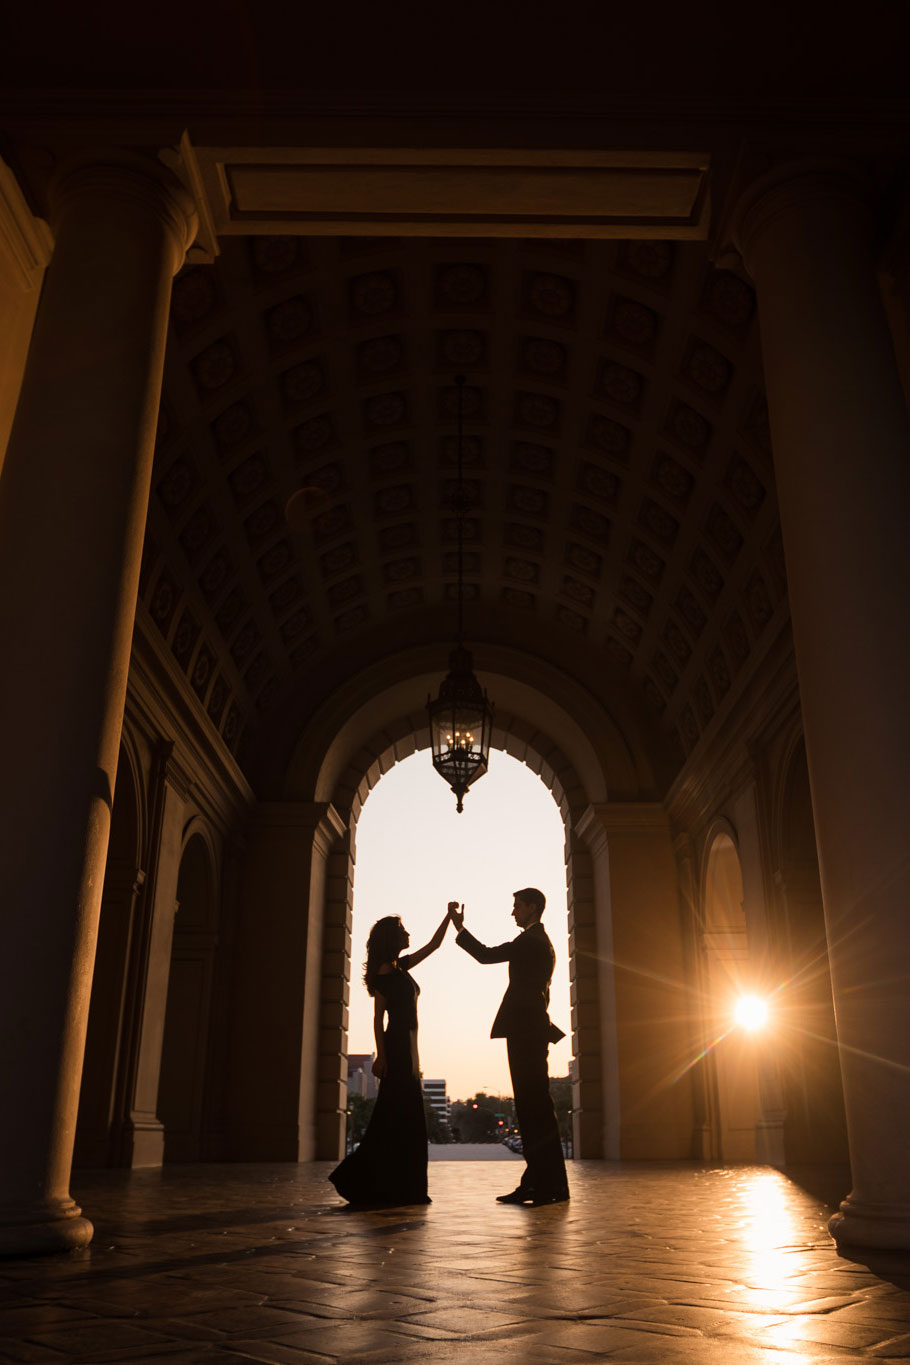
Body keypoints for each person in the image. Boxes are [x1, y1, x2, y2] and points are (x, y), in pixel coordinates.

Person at [450, 889, 569, 1206]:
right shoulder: (538, 941)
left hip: (526, 1032)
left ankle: (546, 1186)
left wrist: (458, 927)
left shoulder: (530, 942)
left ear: (532, 908)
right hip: (529, 1031)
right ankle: (540, 1183)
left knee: (535, 1111)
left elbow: (486, 955)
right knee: (534, 1111)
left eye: (516, 906)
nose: (512, 912)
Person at [329, 905, 454, 1205]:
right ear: (391, 939)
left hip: (410, 1050)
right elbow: (378, 1019)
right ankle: (374, 1182)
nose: (408, 933)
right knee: (396, 1116)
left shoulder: (401, 967)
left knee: (405, 1117)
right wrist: (381, 1057)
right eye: (403, 931)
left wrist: (449, 917)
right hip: (397, 1048)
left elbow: (435, 945)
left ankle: (404, 1187)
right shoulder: (385, 971)